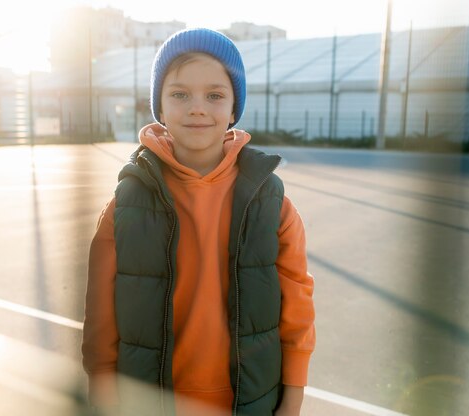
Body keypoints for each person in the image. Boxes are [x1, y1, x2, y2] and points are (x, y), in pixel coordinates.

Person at [82, 28, 316, 416]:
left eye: (214, 95)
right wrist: (102, 384)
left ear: (233, 108)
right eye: (179, 94)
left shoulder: (273, 204)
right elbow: (101, 307)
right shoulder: (126, 203)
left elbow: (296, 304)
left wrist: (293, 391)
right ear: (159, 103)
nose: (197, 107)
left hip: (247, 400)